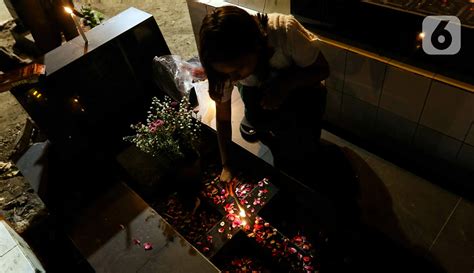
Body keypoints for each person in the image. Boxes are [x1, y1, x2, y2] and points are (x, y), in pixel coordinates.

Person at [198, 6, 329, 187]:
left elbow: (323, 70)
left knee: (303, 146)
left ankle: (300, 144)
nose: (233, 79)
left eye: (238, 69)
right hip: (261, 89)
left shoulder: (285, 32)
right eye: (227, 74)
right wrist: (227, 164)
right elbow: (222, 118)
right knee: (262, 120)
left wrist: (284, 86)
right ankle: (261, 123)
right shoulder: (224, 70)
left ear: (256, 46)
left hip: (305, 89)